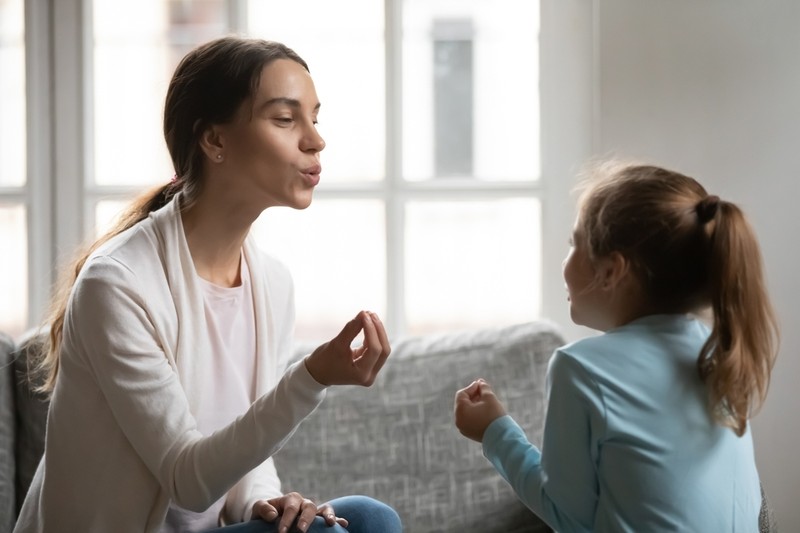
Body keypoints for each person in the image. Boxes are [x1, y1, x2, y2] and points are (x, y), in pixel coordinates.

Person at [15, 36, 402, 533]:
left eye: (315, 118)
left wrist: (267, 502)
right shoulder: (118, 284)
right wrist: (311, 379)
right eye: (285, 119)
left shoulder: (272, 285)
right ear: (214, 140)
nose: (314, 140)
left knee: (369, 518)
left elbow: (246, 459)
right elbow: (188, 480)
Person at [453, 161, 780, 532]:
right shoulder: (718, 351)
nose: (565, 262)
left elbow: (568, 519)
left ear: (611, 271)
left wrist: (495, 430)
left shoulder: (580, 369)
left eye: (574, 244)